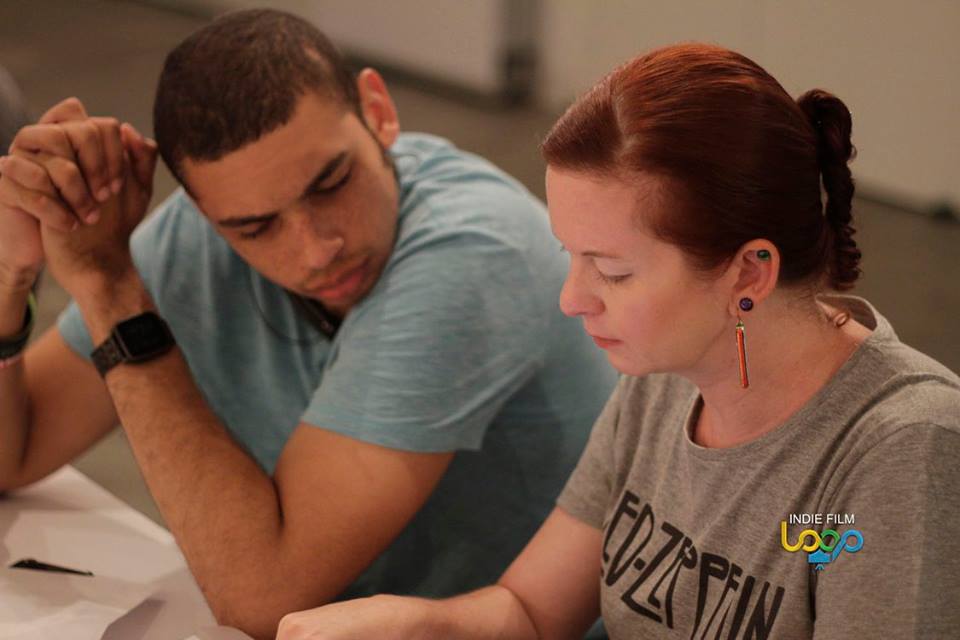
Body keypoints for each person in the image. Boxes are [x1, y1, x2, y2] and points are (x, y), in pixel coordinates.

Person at [274, 43, 960, 640]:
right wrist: (403, 622)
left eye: (612, 270)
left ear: (750, 270)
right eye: (571, 256)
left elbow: (828, 541)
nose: (572, 298)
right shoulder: (663, 374)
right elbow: (532, 613)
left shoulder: (901, 453)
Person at [0, 9, 616, 639]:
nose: (315, 248)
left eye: (332, 182)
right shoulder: (198, 234)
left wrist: (110, 288)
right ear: (202, 210)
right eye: (255, 228)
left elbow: (262, 596)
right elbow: (12, 454)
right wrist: (7, 275)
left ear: (377, 109)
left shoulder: (474, 253)